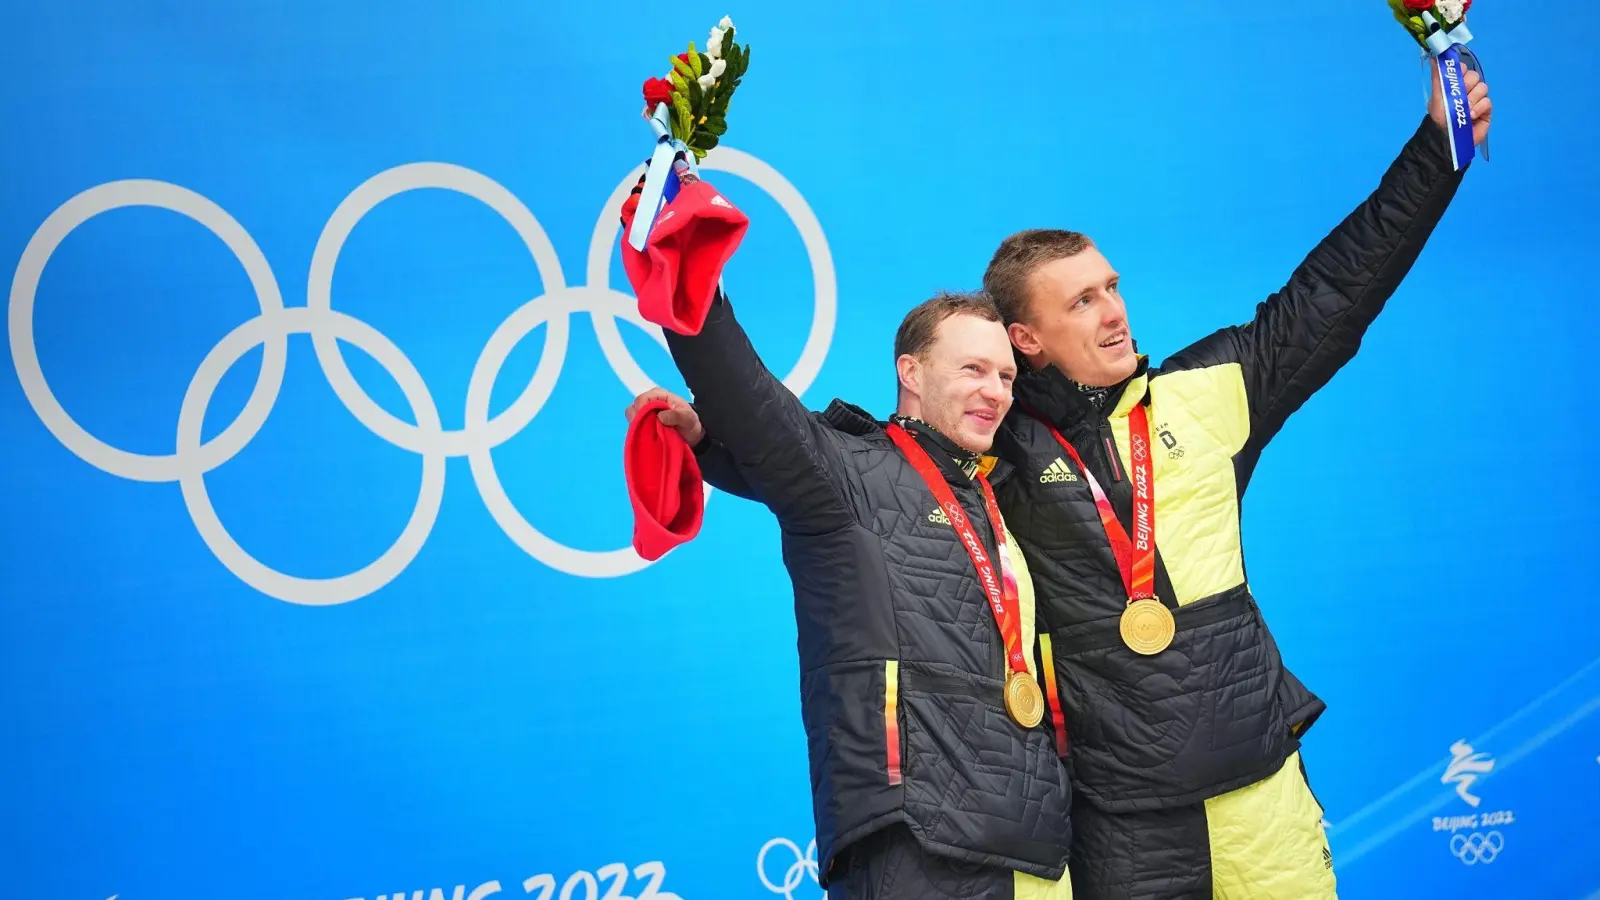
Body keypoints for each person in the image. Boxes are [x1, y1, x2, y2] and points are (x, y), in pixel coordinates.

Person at [654, 67, 1492, 898]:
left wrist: (1440, 145)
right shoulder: (995, 445)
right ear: (1030, 338)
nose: (1115, 311)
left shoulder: (1212, 390)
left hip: (1258, 788)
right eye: (1083, 301)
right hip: (1117, 829)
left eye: (1113, 287)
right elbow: (862, 484)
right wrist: (716, 452)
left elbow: (1339, 289)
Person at [627, 279, 1076, 897]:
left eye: (1005, 375)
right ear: (910, 372)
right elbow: (746, 395)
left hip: (1034, 850)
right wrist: (683, 265)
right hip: (916, 842)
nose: (995, 392)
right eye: (973, 368)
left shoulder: (990, 487)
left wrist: (709, 448)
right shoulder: (847, 473)